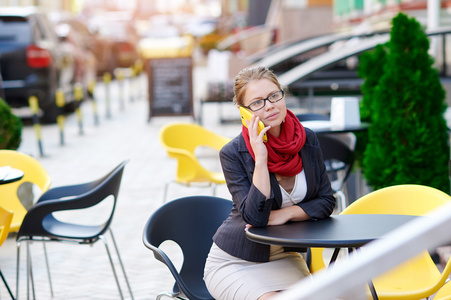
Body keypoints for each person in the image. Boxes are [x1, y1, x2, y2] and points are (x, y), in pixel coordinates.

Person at [203, 66, 336, 300]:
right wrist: (261, 158)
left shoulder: (307, 140)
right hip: (235, 261)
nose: (270, 105)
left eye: (274, 96)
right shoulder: (233, 153)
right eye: (257, 102)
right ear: (244, 112)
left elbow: (326, 201)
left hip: (286, 258)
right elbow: (255, 217)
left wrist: (287, 214)